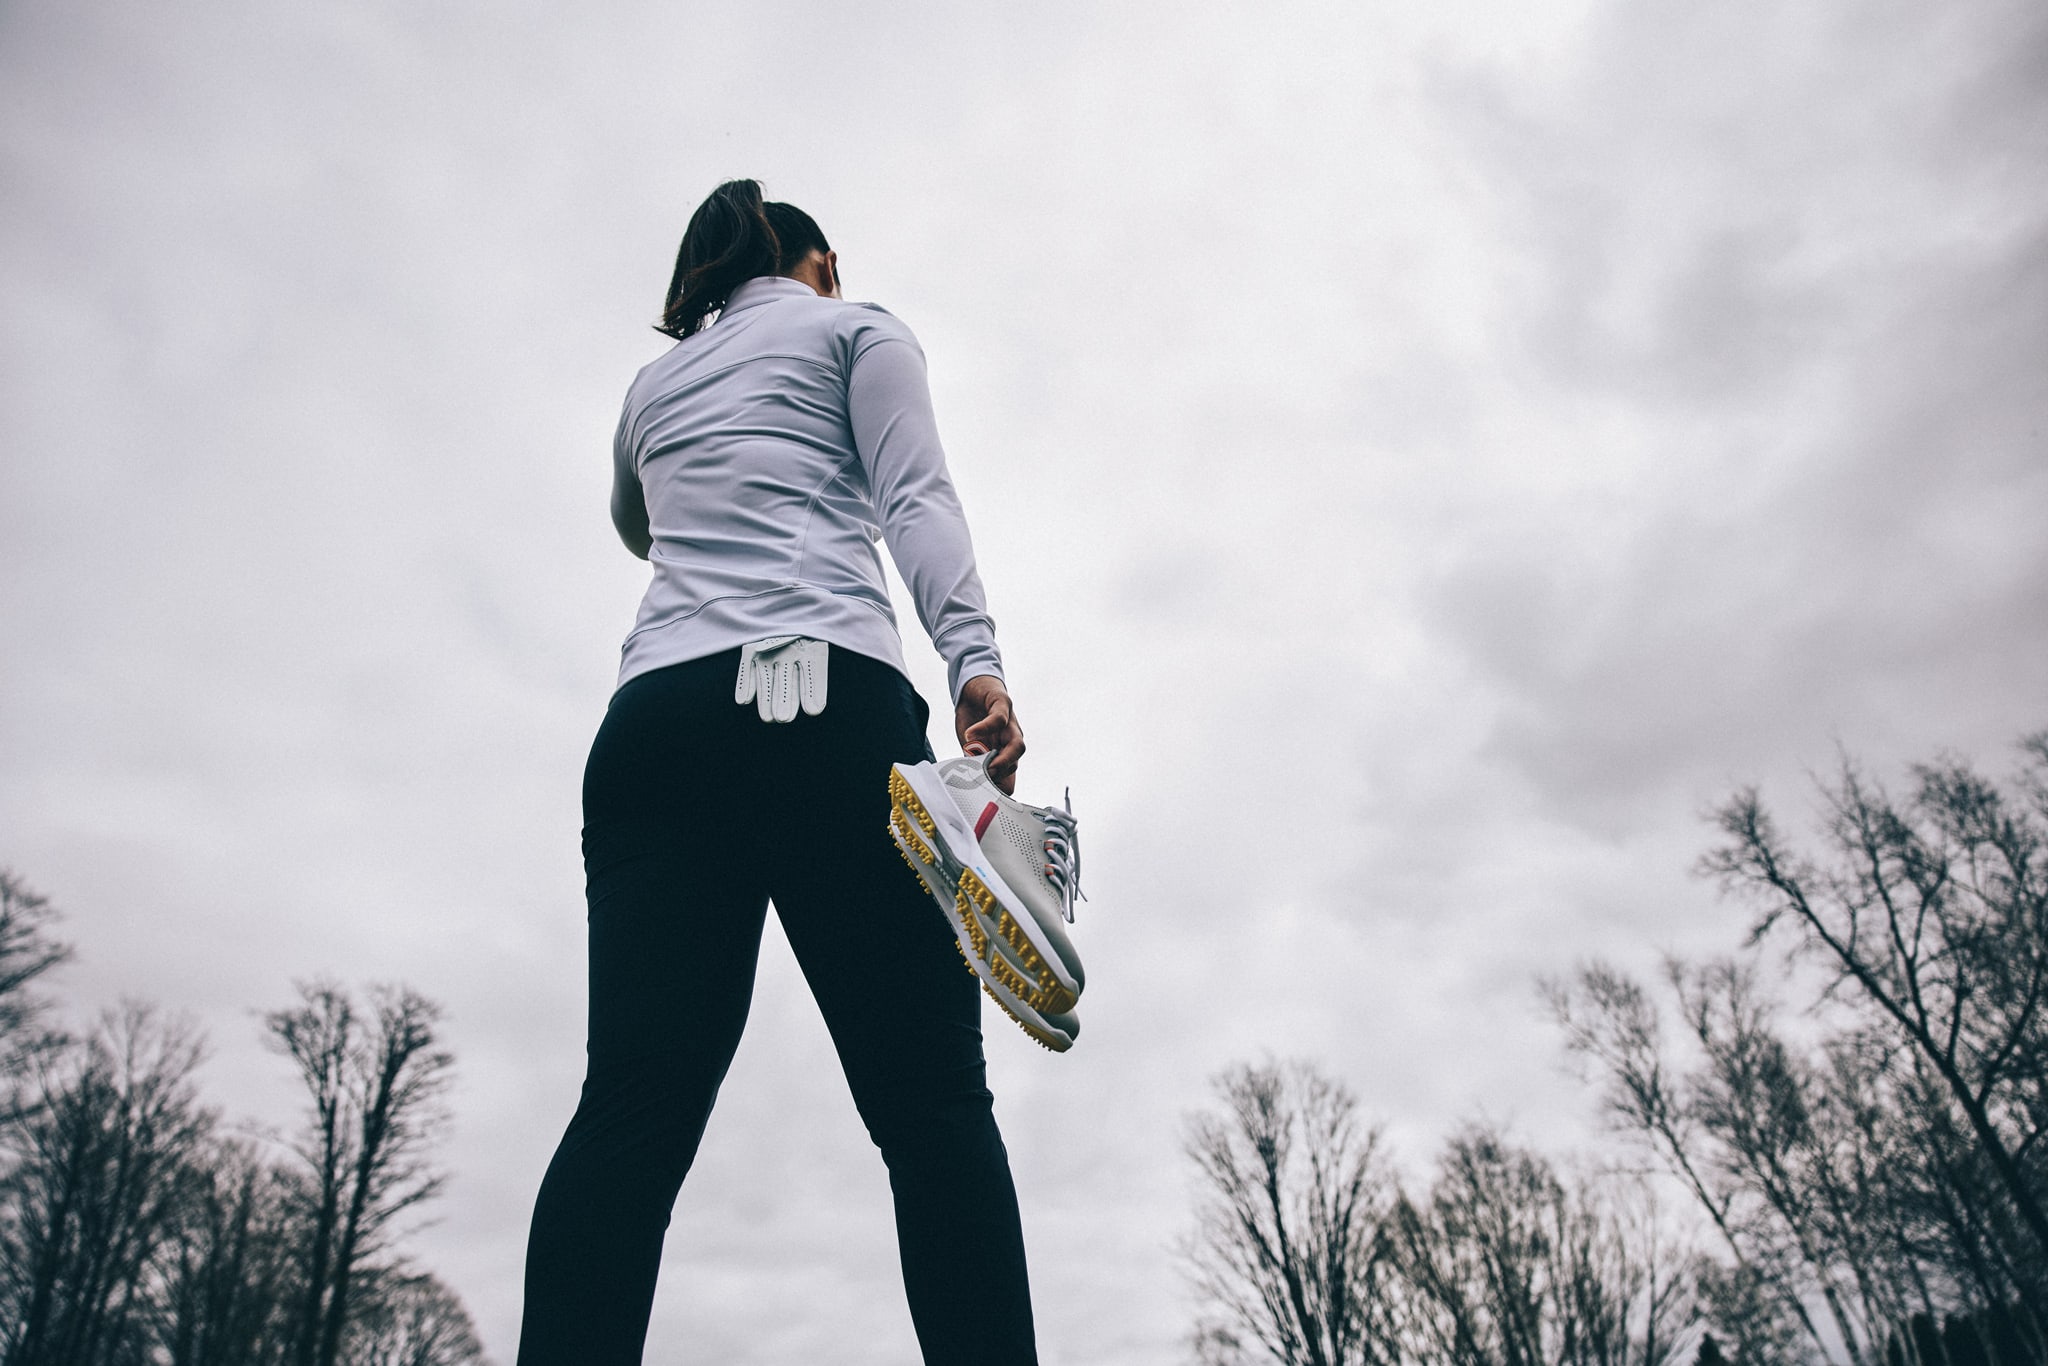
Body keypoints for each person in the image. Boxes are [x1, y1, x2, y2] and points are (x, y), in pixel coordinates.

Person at [515, 180, 1039, 1365]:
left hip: (656, 725)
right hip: (829, 710)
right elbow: (913, 495)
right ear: (821, 261)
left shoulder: (651, 388)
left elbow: (637, 525)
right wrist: (975, 663)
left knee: (630, 1116)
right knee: (931, 1111)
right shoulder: (855, 329)